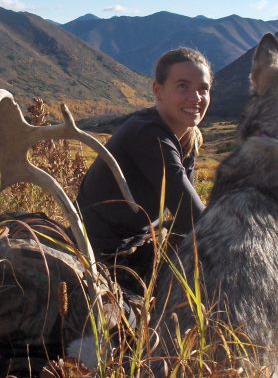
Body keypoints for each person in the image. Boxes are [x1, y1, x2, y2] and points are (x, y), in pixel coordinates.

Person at [74, 47, 212, 283]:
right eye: (183, 86)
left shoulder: (188, 137)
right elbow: (190, 214)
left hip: (139, 245)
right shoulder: (147, 133)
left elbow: (184, 217)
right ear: (158, 90)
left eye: (203, 89)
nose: (196, 97)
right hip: (104, 256)